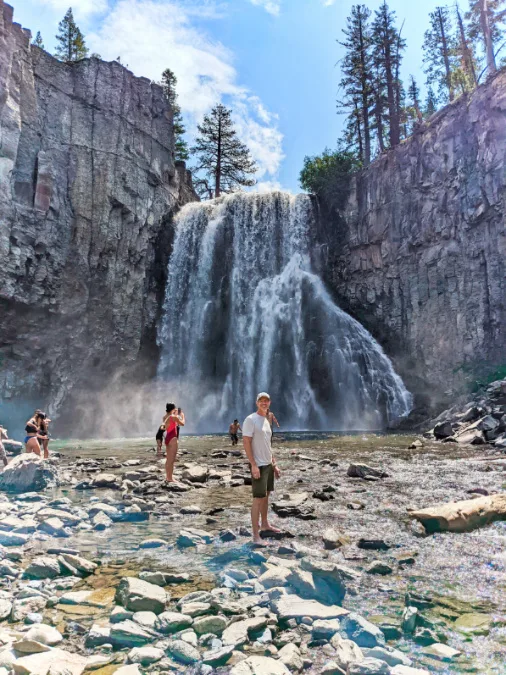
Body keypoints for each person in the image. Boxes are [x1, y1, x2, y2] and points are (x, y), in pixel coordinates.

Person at [243, 392, 281, 546]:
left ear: (269, 403)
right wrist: (253, 464)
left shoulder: (266, 420)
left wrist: (274, 464)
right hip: (258, 465)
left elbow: (268, 444)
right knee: (258, 499)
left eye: (266, 401)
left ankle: (265, 523)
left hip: (268, 464)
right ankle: (255, 536)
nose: (264, 403)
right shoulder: (250, 419)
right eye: (261, 401)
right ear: (256, 402)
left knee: (266, 496)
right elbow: (246, 442)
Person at [163, 402, 185, 482]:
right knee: (172, 460)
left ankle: (167, 476)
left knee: (168, 459)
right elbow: (182, 423)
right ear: (173, 409)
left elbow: (166, 427)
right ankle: (170, 478)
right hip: (173, 438)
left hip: (167, 438)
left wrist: (175, 413)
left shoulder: (165, 417)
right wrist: (182, 416)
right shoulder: (173, 417)